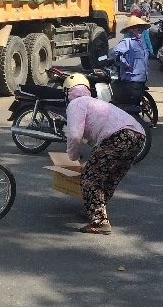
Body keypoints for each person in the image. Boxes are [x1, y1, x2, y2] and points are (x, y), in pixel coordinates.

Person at [62, 73, 146, 235]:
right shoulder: (94, 102)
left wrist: (72, 158)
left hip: (118, 136)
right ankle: (93, 210)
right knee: (110, 177)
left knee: (90, 178)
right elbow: (93, 134)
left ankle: (100, 222)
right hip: (138, 136)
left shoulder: (76, 103)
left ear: (68, 92)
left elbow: (74, 135)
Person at [110, 15, 150, 107]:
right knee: (132, 107)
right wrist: (124, 63)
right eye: (136, 28)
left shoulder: (142, 42)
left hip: (142, 78)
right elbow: (114, 52)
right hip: (132, 80)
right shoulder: (127, 42)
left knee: (137, 104)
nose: (139, 30)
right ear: (130, 30)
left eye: (140, 28)